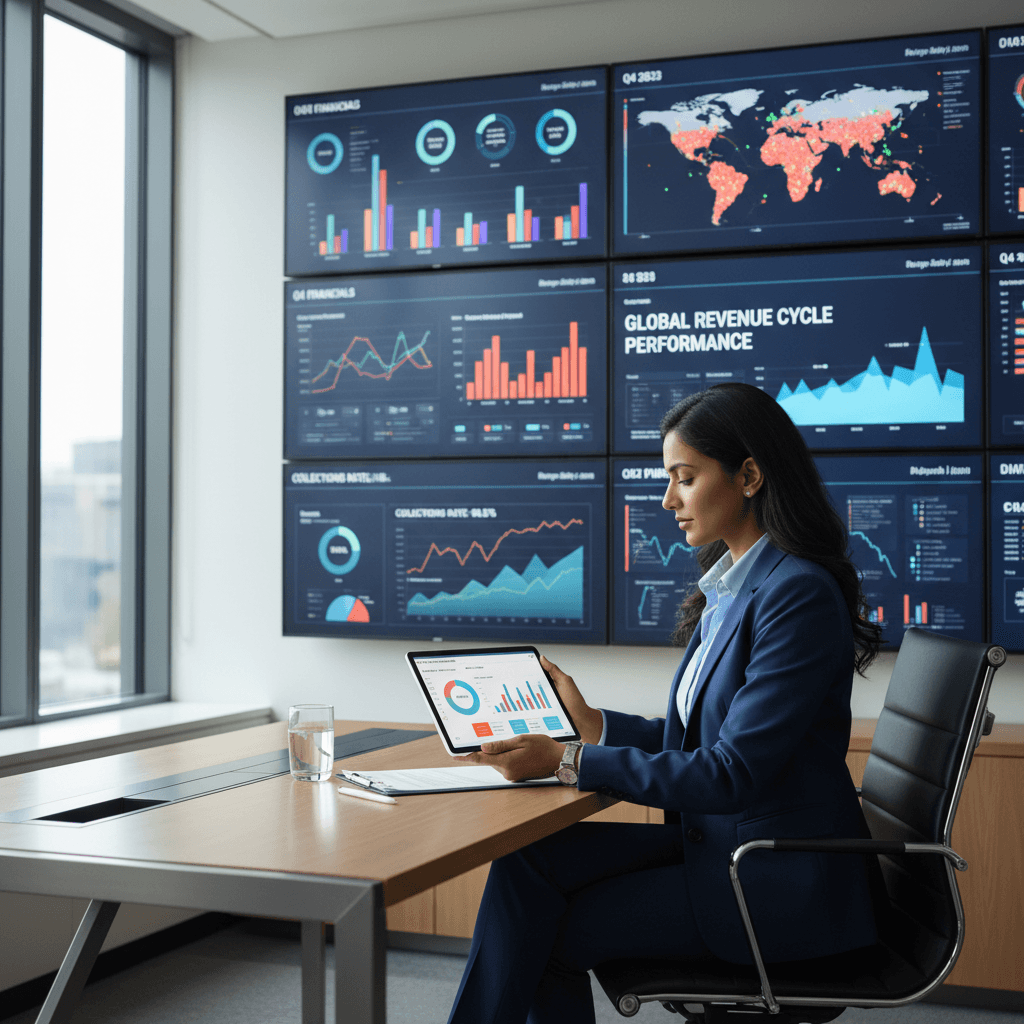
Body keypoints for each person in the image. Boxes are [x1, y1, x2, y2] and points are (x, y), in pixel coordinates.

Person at [447, 382, 883, 1024]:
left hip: (771, 879)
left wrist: (567, 760)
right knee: (528, 861)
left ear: (750, 475)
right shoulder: (735, 587)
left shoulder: (797, 594)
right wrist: (591, 726)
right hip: (723, 846)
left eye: (685, 477)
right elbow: (703, 742)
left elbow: (730, 772)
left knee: (548, 935)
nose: (667, 499)